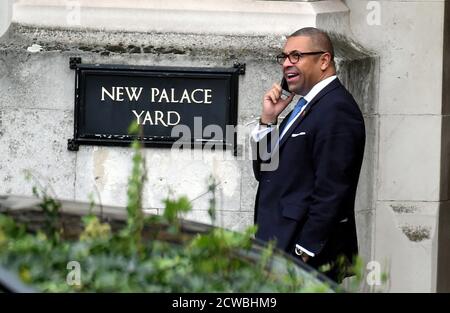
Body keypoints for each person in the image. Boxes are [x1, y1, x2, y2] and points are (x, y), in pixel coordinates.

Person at [251, 27, 366, 283]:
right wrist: (268, 121)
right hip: (279, 246)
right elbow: (264, 171)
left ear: (324, 60)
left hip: (304, 259)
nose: (286, 64)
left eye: (296, 56)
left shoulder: (336, 109)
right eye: (284, 57)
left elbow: (333, 191)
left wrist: (303, 252)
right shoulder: (305, 105)